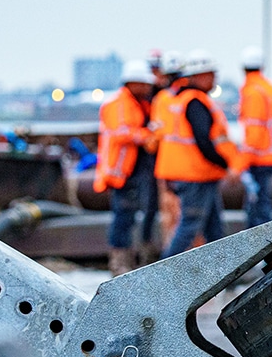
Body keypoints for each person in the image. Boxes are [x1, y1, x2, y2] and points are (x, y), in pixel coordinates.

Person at [156, 50, 242, 258]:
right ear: (199, 75)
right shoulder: (195, 102)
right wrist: (225, 165)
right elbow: (203, 141)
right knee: (189, 225)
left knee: (214, 228)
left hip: (198, 174)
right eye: (211, 74)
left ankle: (222, 266)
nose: (214, 79)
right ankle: (163, 270)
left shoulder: (185, 99)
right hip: (195, 174)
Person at [95, 59, 158, 275]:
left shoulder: (137, 103)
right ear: (133, 83)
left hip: (134, 170)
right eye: (145, 84)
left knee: (131, 216)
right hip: (121, 172)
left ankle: (131, 260)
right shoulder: (118, 104)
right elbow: (122, 132)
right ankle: (119, 263)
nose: (148, 87)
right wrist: (148, 135)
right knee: (123, 216)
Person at [237, 46, 272, 228]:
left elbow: (254, 132)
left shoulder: (253, 92)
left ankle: (264, 242)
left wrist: (240, 163)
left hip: (259, 159)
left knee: (258, 209)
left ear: (243, 68)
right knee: (261, 203)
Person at [150, 51, 186, 251]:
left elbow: (154, 138)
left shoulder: (162, 99)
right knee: (189, 216)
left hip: (167, 167)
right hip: (190, 168)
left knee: (171, 217)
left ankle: (171, 256)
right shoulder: (192, 97)